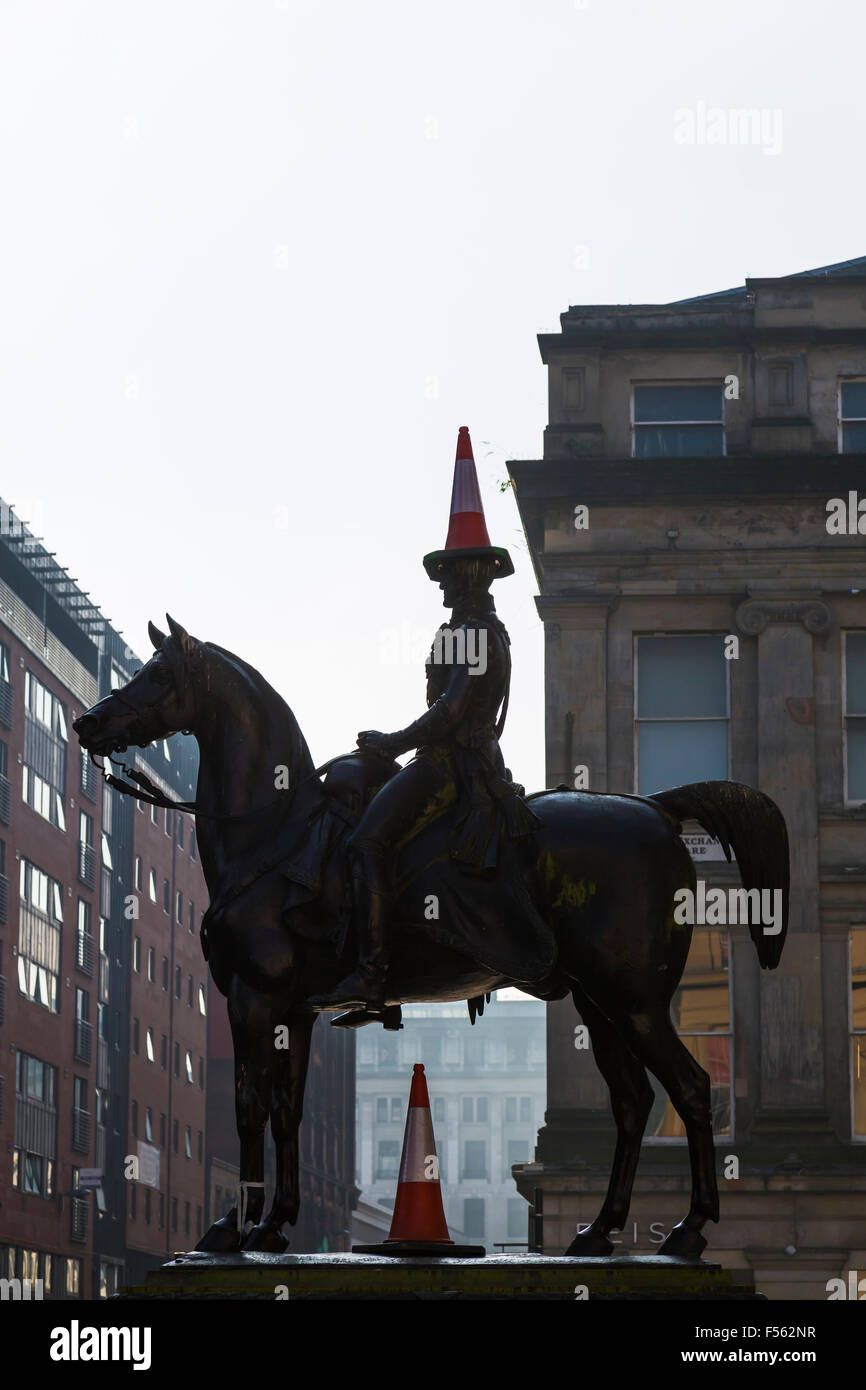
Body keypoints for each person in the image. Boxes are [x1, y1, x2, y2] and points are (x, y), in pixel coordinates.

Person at [310, 426, 538, 1017]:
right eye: (440, 573)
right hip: (450, 759)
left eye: (448, 572)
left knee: (366, 841)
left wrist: (394, 741)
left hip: (451, 767)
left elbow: (451, 712)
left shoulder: (476, 634)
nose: (440, 582)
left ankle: (374, 974)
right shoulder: (467, 631)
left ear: (472, 574)